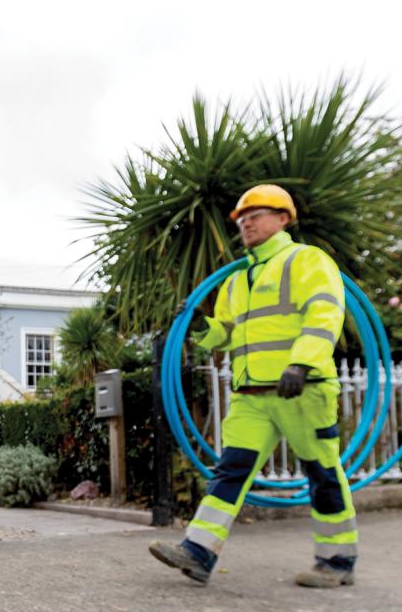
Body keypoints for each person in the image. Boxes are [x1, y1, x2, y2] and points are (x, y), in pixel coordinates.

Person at [149, 184, 357, 588]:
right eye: (242, 218)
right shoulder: (236, 281)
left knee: (322, 471)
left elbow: (324, 313)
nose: (246, 222)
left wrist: (302, 363)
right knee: (230, 470)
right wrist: (199, 327)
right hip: (251, 396)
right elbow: (224, 335)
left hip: (302, 388)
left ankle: (338, 559)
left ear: (283, 220)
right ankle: (198, 551)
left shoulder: (306, 260)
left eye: (256, 214)